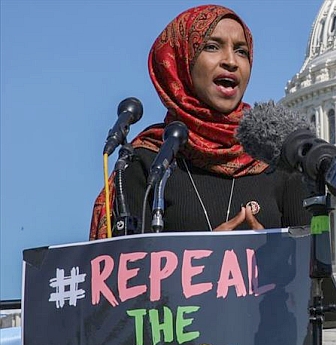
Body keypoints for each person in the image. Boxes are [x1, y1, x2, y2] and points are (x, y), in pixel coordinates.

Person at [89, 4, 311, 240]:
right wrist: (206, 257)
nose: (231, 61)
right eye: (212, 47)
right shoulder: (148, 162)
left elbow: (309, 267)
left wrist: (269, 257)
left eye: (241, 51)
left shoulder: (279, 160)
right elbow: (127, 270)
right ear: (181, 61)